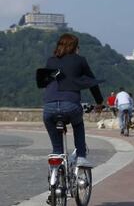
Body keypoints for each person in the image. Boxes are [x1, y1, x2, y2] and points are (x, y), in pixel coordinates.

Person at [41, 33, 104, 168]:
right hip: (70, 106)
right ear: (75, 47)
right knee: (78, 124)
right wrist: (99, 102)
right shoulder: (80, 60)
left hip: (49, 107)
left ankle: (56, 171)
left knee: (57, 150)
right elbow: (92, 83)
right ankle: (81, 156)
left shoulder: (50, 61)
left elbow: (47, 83)